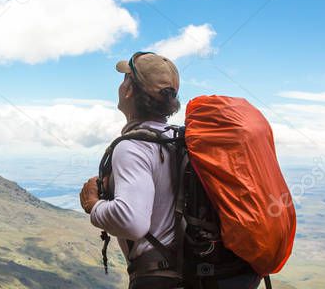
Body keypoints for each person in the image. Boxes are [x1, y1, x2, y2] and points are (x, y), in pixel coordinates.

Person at [79, 52, 264, 289]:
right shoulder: (181, 140)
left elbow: (132, 222)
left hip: (157, 278)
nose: (121, 85)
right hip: (190, 274)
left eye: (125, 79)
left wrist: (93, 205)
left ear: (129, 91)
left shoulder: (132, 147)